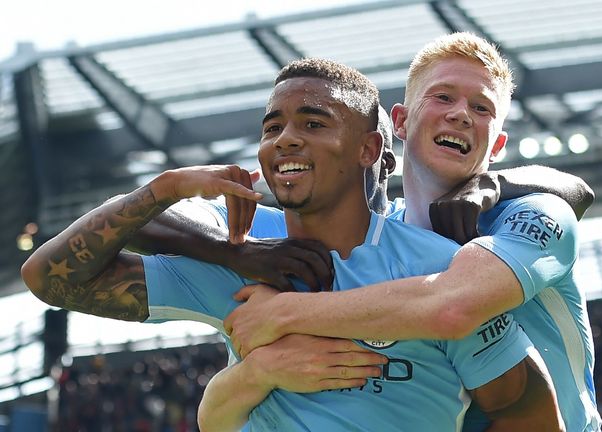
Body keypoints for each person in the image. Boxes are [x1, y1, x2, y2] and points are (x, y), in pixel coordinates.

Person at [21, 58, 562, 431]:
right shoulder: (240, 264)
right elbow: (50, 277)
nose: (286, 139)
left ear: (370, 149)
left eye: (313, 122)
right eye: (272, 126)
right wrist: (165, 189)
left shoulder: (437, 269)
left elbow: (530, 415)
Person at [222, 33, 601, 432]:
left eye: (481, 107)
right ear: (400, 121)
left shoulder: (534, 211)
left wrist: (282, 313)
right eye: (442, 97)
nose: (461, 114)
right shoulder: (375, 240)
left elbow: (453, 308)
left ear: (499, 144)